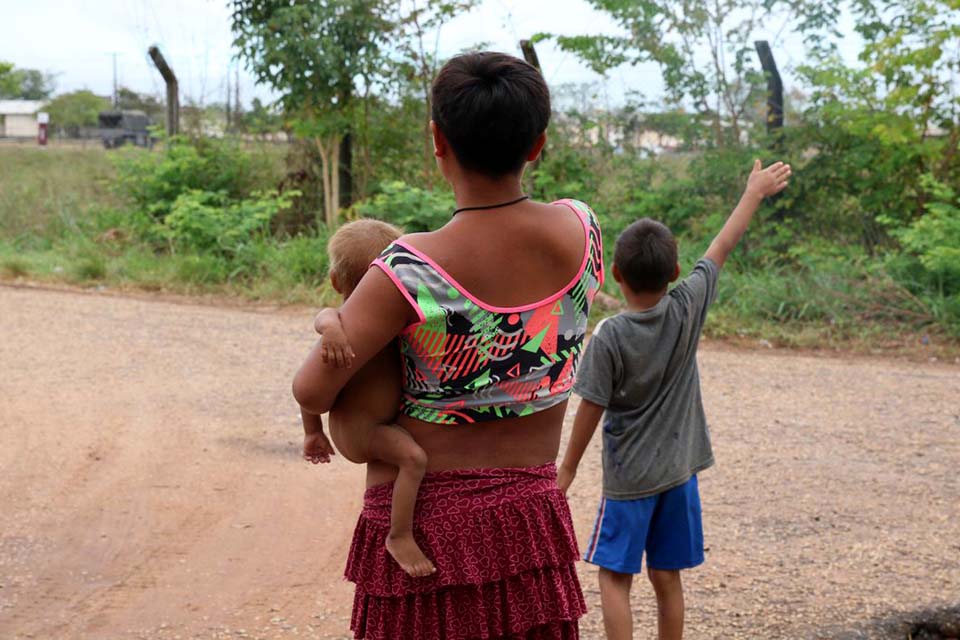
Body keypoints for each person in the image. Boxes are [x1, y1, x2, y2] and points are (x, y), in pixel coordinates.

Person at [292, 51, 604, 639]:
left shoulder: (409, 271)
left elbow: (313, 387)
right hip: (529, 525)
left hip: (426, 533)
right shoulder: (583, 230)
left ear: (438, 140)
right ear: (537, 145)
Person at [556, 159, 792, 640]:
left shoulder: (610, 336)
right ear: (676, 271)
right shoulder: (688, 306)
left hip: (629, 481)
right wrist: (753, 191)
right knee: (667, 577)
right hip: (679, 475)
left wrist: (568, 469)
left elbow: (591, 408)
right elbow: (723, 244)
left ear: (615, 274)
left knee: (615, 577)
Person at [301, 218, 436, 578]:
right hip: (362, 431)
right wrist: (330, 329)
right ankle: (400, 534)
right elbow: (323, 320)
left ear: (335, 280)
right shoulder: (341, 324)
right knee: (414, 459)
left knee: (413, 454)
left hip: (372, 423)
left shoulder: (395, 318)